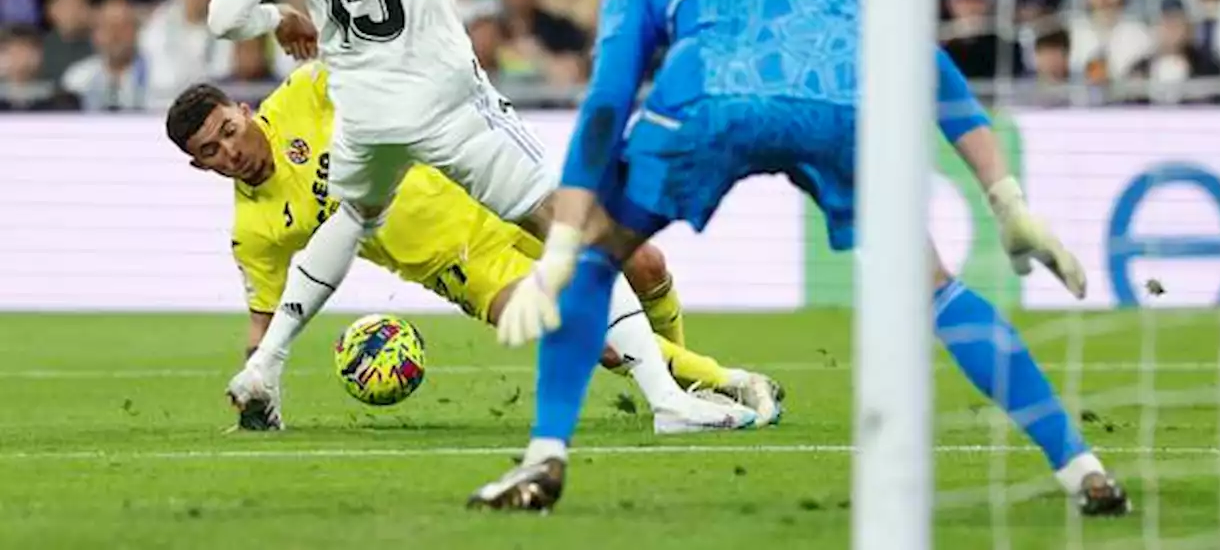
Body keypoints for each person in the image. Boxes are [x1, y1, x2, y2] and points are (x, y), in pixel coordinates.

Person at [468, 0, 1130, 517]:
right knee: (933, 285)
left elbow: (609, 99)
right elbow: (925, 64)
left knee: (600, 261)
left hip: (711, 101)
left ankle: (545, 458)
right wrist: (1005, 195)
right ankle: (1080, 465)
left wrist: (567, 239)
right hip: (838, 104)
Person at [202, 0, 665, 432]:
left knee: (355, 214)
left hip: (364, 111)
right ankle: (669, 398)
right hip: (442, 99)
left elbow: (222, 17)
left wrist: (280, 12)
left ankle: (265, 363)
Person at [164, 66, 774, 432]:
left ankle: (683, 378)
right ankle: (727, 383)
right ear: (197, 166)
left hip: (490, 185)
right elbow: (265, 321)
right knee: (601, 341)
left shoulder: (303, 95)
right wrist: (259, 389)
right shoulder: (256, 230)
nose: (230, 147)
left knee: (645, 263)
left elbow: (362, 59)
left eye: (228, 128)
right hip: (461, 265)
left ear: (243, 110)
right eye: (211, 149)